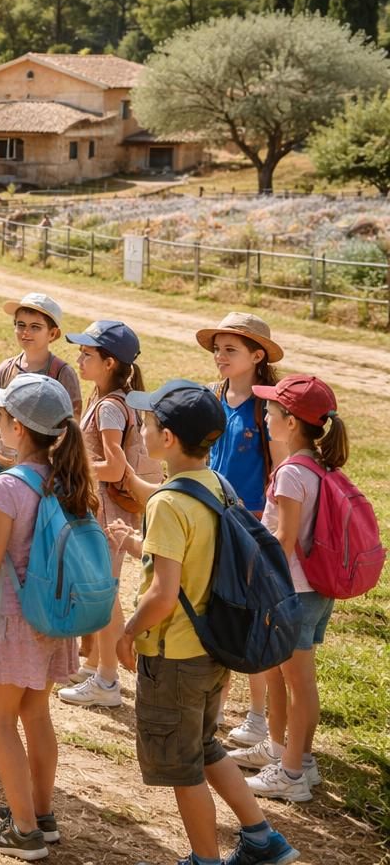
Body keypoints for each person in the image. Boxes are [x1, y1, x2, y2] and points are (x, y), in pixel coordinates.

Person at [115, 380, 299, 865]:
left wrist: (128, 631)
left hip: (172, 656)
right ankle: (262, 838)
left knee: (182, 769)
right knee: (204, 746)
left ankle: (204, 859)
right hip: (211, 649)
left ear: (168, 439)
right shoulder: (218, 484)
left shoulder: (167, 504)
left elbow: (163, 592)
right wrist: (140, 548)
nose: (143, 428)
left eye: (149, 422)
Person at [0, 374, 92, 860]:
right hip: (53, 617)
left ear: (16, 427)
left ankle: (24, 831)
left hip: (13, 619)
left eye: (1, 417)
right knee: (35, 713)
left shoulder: (9, 485)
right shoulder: (66, 478)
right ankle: (41, 812)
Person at [228, 376, 343, 804]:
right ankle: (286, 753)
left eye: (272, 410)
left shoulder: (293, 472)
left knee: (299, 682)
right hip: (311, 589)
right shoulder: (316, 464)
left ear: (290, 421)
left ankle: (293, 771)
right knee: (286, 674)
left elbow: (286, 539)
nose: (266, 415)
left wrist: (247, 555)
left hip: (293, 590)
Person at [195, 313, 284, 750]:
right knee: (219, 612)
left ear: (257, 355)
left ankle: (257, 717)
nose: (220, 356)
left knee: (253, 618)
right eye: (217, 349)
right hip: (213, 518)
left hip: (251, 527)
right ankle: (213, 711)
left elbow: (280, 471)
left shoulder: (269, 407)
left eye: (231, 349)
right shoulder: (213, 397)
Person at [59, 320, 148, 709]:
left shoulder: (111, 407)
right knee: (103, 591)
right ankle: (98, 664)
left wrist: (71, 467)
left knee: (103, 594)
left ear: (109, 362)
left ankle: (108, 681)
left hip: (107, 510)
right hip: (105, 508)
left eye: (88, 354)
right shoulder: (111, 399)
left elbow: (116, 469)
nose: (79, 358)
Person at [0, 293, 81, 493]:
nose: (26, 332)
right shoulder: (6, 368)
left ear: (52, 334)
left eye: (35, 327)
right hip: (3, 466)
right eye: (20, 324)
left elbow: (72, 423)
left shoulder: (62, 373)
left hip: (42, 471)